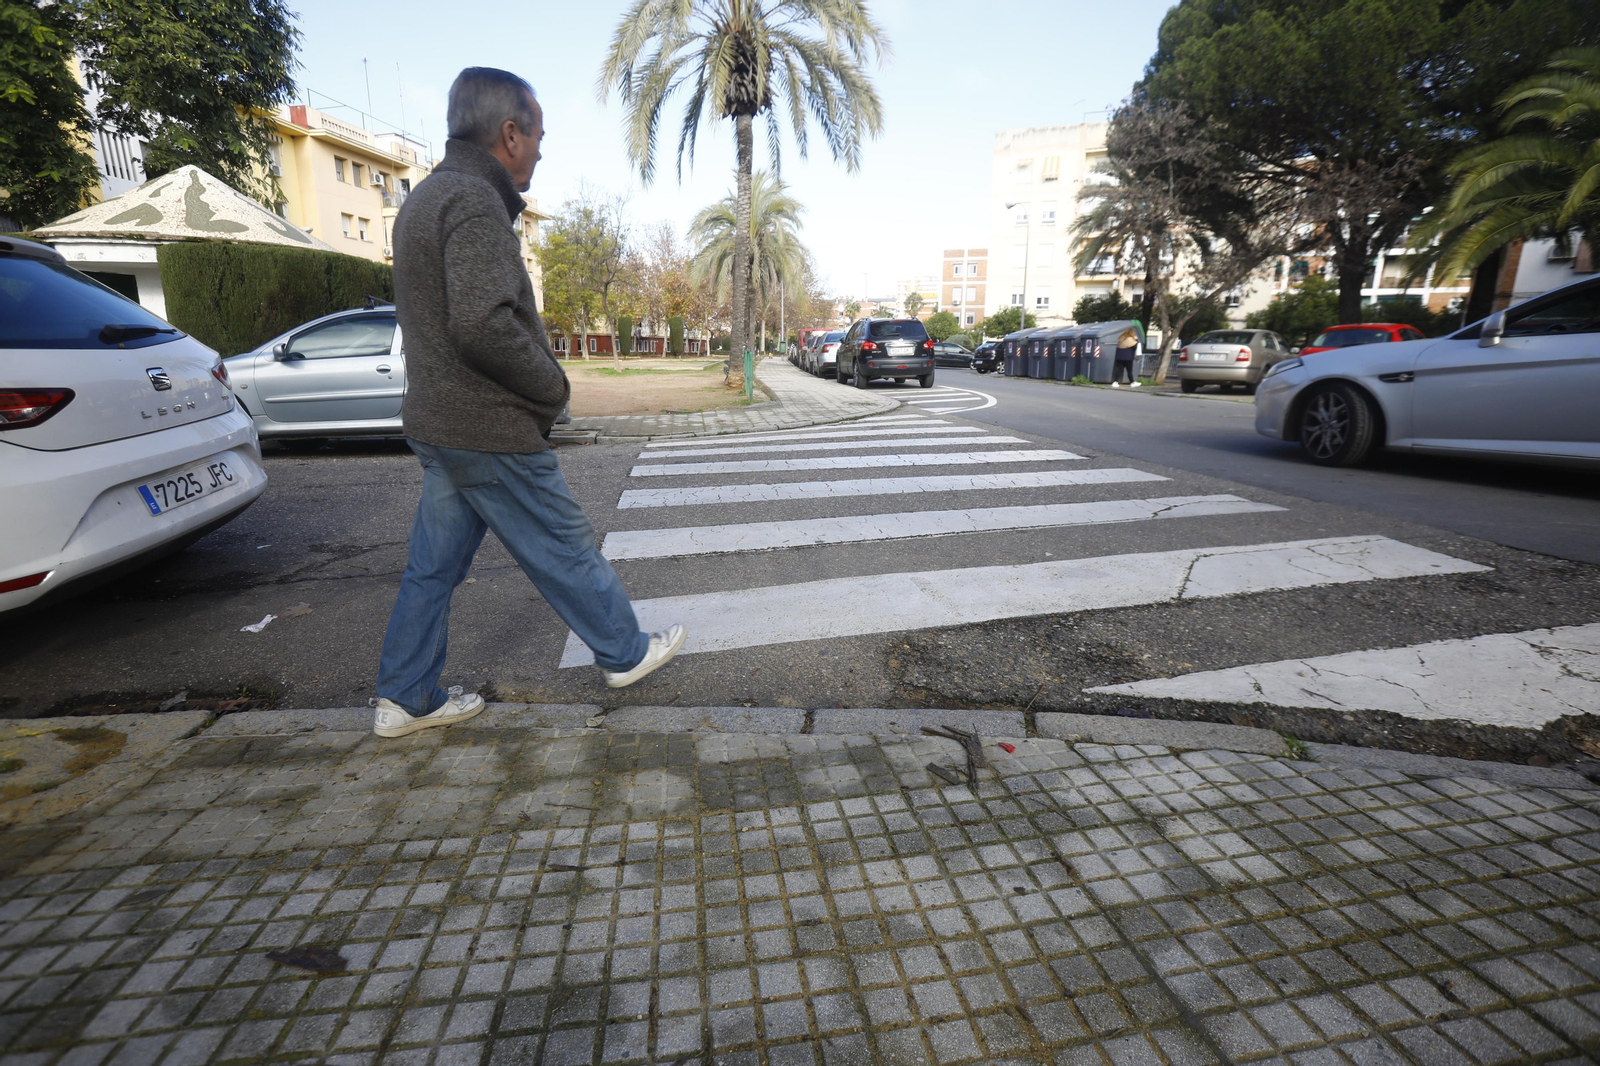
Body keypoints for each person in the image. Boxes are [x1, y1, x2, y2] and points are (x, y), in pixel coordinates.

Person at [372, 67, 684, 739]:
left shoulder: (426, 198)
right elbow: (482, 324)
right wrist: (553, 388)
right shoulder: (472, 203)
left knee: (433, 567)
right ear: (509, 134)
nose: (542, 149)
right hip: (486, 425)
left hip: (439, 422)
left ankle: (405, 695)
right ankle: (625, 653)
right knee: (564, 545)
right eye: (539, 134)